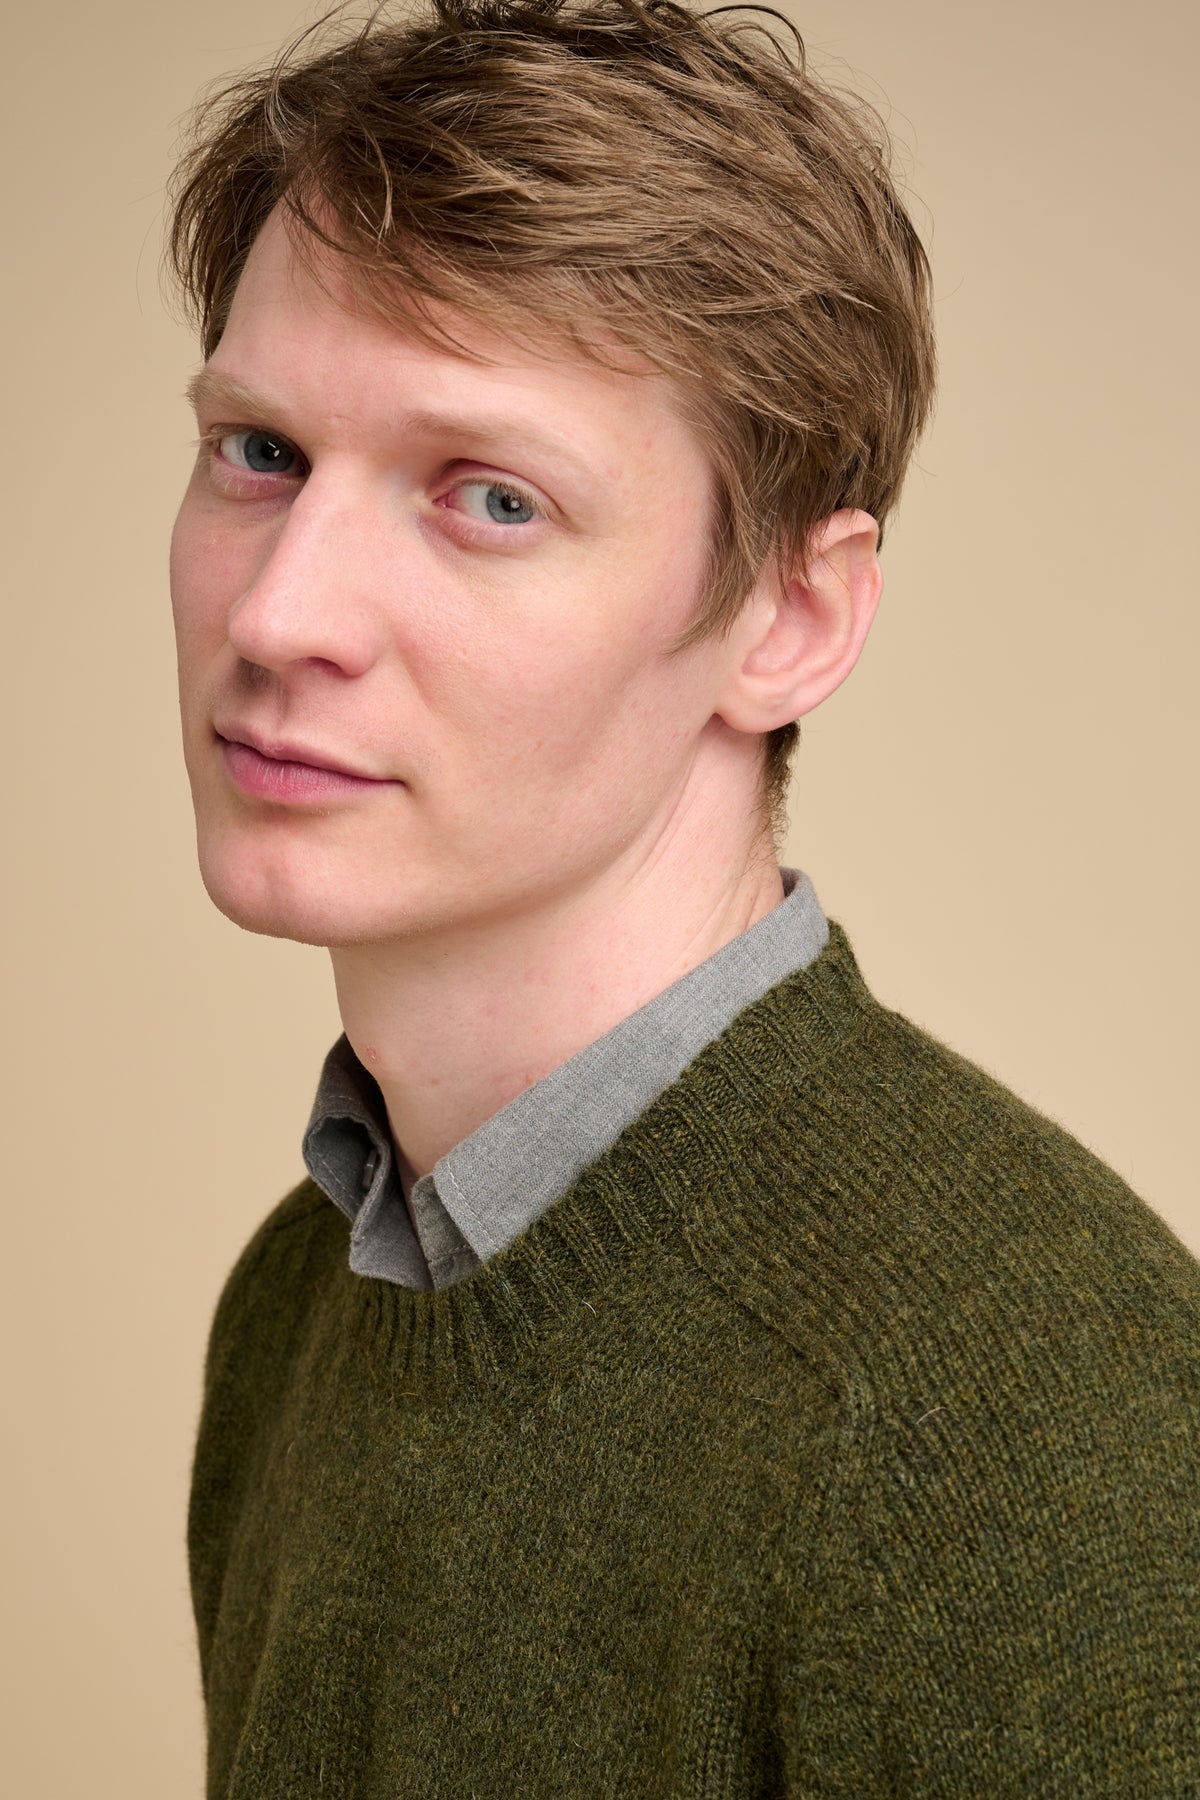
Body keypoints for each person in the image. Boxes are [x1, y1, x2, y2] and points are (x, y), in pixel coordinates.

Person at [165, 1, 1200, 1792]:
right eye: (260, 452)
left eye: (487, 495)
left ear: (791, 621)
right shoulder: (294, 1307)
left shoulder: (1012, 1425)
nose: (278, 617)